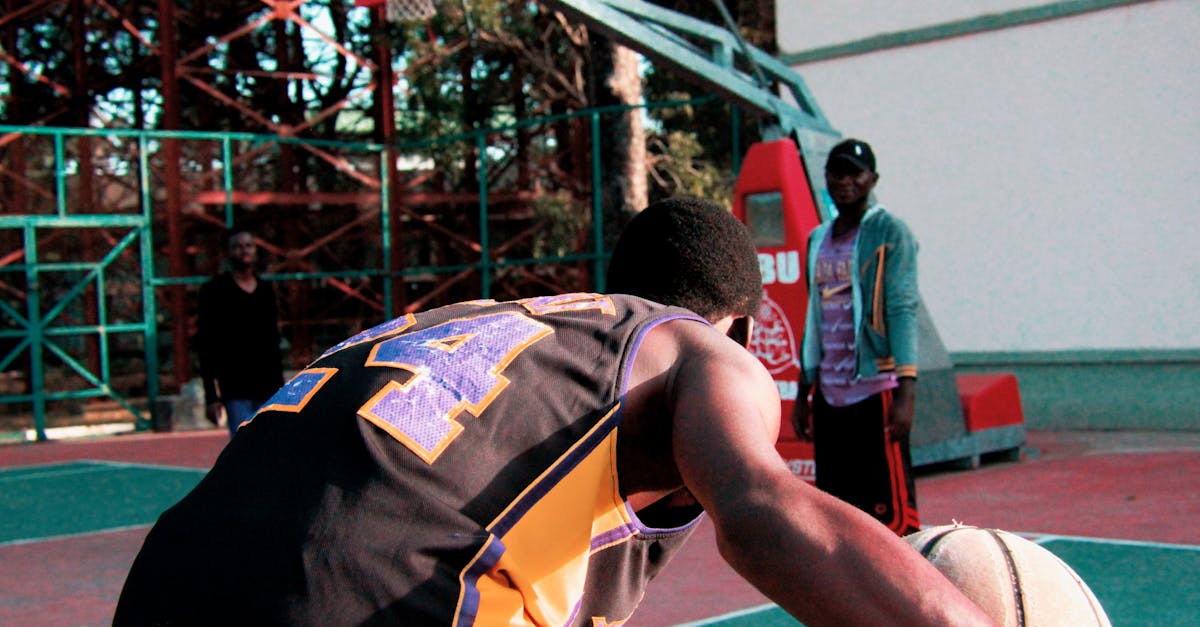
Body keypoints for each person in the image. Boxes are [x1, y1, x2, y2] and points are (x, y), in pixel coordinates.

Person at [115, 198, 992, 626]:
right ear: (736, 319)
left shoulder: (478, 322)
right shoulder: (701, 349)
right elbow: (763, 517)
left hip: (162, 584)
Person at [792, 138, 922, 536]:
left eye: (855, 173)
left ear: (872, 179)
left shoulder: (890, 231)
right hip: (830, 394)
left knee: (891, 519)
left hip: (875, 389)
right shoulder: (818, 238)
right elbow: (813, 314)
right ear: (826, 179)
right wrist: (804, 392)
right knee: (839, 511)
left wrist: (906, 392)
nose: (845, 181)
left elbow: (901, 307)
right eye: (837, 173)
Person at [196, 225, 285, 436]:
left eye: (248, 246)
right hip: (235, 389)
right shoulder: (214, 291)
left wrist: (283, 391)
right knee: (243, 452)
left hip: (269, 387)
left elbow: (273, 342)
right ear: (227, 252)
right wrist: (212, 396)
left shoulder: (266, 291)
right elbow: (206, 345)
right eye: (237, 247)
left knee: (272, 448)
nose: (244, 251)